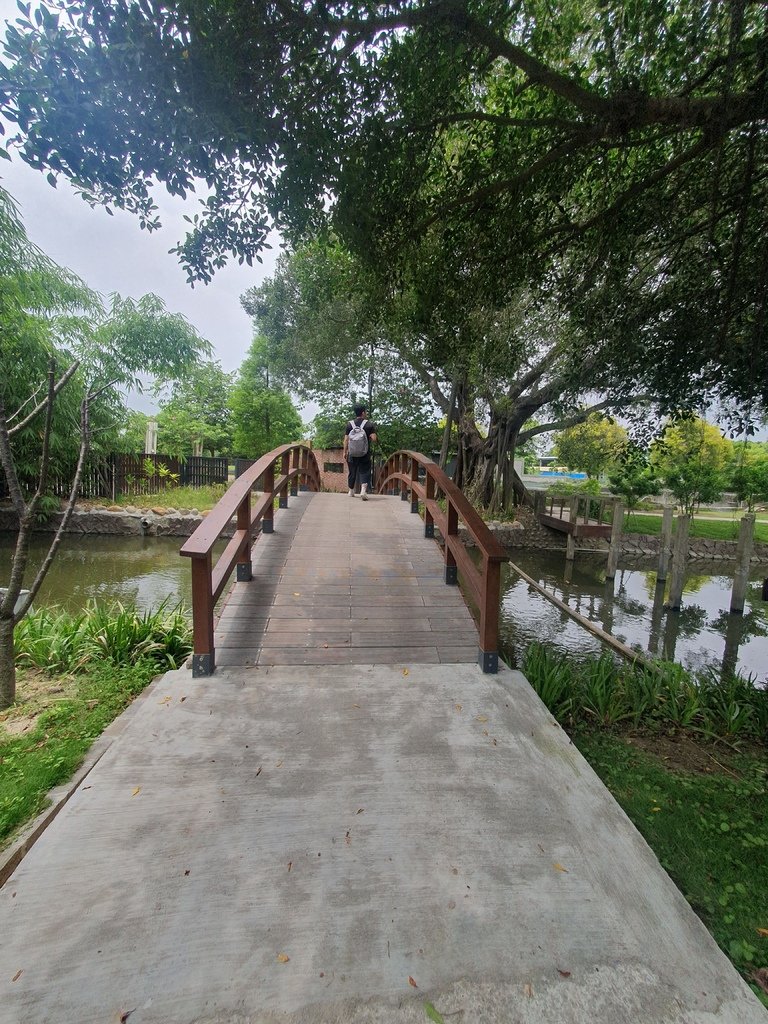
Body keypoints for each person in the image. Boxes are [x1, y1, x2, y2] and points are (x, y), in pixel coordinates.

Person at [343, 404, 378, 500]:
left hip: (352, 453)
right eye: (365, 412)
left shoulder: (349, 424)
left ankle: (351, 491)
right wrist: (373, 434)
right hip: (364, 453)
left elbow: (346, 440)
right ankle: (363, 491)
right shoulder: (369, 424)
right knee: (365, 471)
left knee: (352, 471)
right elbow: (374, 439)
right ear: (363, 412)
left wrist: (345, 452)